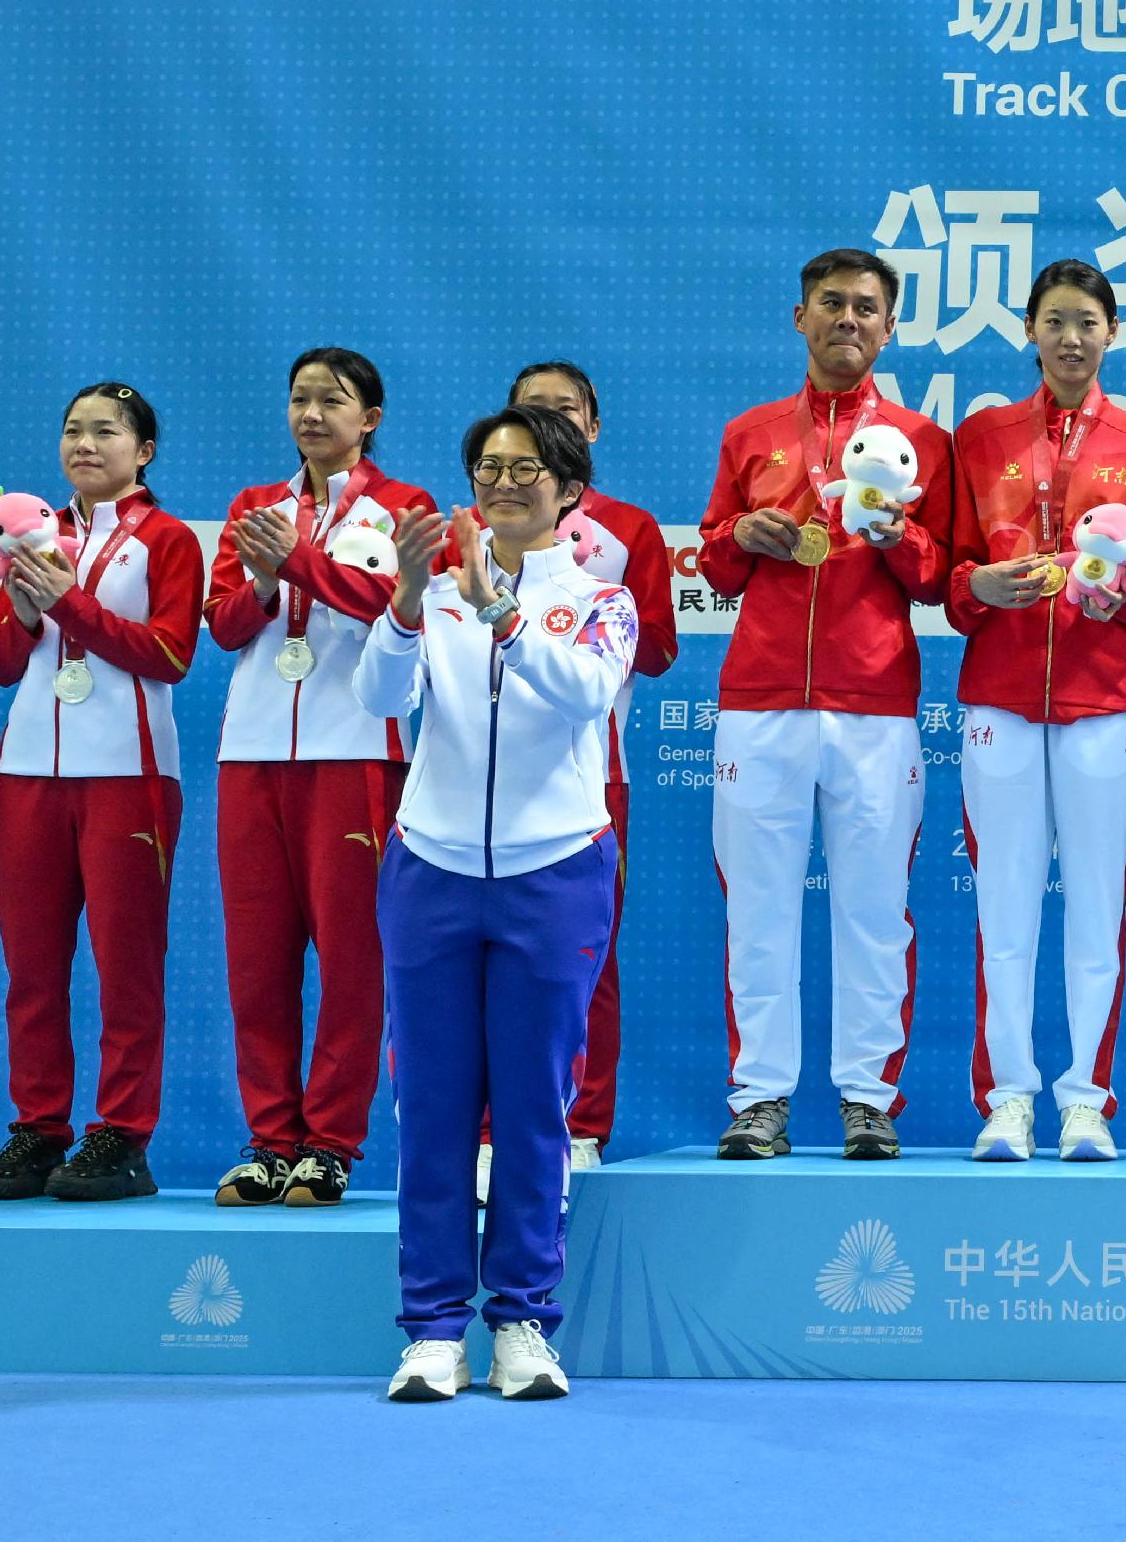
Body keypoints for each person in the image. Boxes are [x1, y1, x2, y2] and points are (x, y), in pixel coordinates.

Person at [361, 406, 641, 1403]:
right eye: (489, 466)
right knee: (432, 1107)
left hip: (554, 871)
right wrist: (408, 599)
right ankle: (433, 1329)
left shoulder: (602, 599)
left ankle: (522, 1319)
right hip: (431, 868)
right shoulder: (433, 594)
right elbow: (377, 698)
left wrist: (502, 612)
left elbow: (585, 694)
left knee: (531, 1107)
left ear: (569, 490)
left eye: (528, 468)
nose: (505, 482)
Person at [698, 250, 950, 1161]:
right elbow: (715, 566)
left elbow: (940, 577)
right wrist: (743, 533)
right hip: (761, 699)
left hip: (875, 702)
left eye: (867, 308)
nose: (849, 319)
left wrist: (897, 535)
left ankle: (868, 1097)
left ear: (891, 328)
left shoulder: (923, 438)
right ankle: (759, 1097)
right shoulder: (750, 433)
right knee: (758, 908)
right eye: (832, 304)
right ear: (799, 317)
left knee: (875, 910)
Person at [941, 260, 1126, 1164]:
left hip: (1107, 698)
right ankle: (1007, 1098)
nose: (1071, 338)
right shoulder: (982, 435)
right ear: (1029, 331)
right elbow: (950, 575)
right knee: (1004, 911)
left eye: (1087, 321)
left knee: (1095, 909)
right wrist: (979, 586)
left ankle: (1085, 1099)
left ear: (1112, 332)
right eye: (1054, 321)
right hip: (1000, 696)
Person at [205, 349, 437, 1207]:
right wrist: (267, 581)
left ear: (368, 418)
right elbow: (223, 627)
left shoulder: (405, 507)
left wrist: (299, 561)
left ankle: (332, 1141)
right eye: (299, 398)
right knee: (257, 959)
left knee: (351, 957)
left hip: (357, 751)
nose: (310, 414)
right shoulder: (254, 507)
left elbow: (397, 608)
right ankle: (270, 1138)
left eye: (331, 401)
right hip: (252, 752)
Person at [0, 382, 204, 1203]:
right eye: (73, 430)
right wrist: (24, 611)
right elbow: (1, 666)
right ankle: (39, 1128)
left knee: (125, 965)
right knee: (32, 967)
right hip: (28, 771)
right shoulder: (26, 535)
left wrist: (67, 601)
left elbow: (170, 654)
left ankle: (121, 1134)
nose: (86, 444)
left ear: (144, 451)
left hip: (129, 775)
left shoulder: (168, 539)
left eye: (107, 432)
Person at [510, 361, 680, 1170]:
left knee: (585, 956)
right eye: (531, 409)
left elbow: (660, 649)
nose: (550, 421)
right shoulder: (471, 531)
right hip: (481, 777)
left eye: (566, 409)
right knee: (488, 966)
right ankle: (490, 1135)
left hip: (592, 774)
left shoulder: (629, 531)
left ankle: (581, 1126)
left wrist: (571, 600)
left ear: (594, 426)